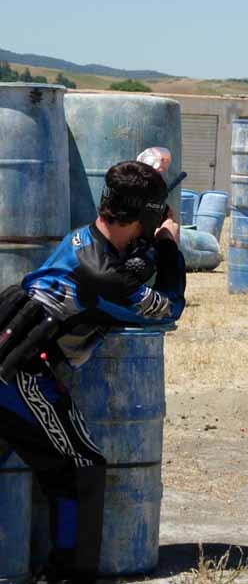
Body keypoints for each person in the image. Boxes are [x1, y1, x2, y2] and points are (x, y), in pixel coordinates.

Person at [0, 160, 186, 584]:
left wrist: (150, 243)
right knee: (81, 466)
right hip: (19, 371)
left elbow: (126, 266)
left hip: (12, 363)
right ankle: (70, 574)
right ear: (147, 215)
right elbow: (167, 307)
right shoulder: (99, 273)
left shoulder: (84, 240)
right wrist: (170, 248)